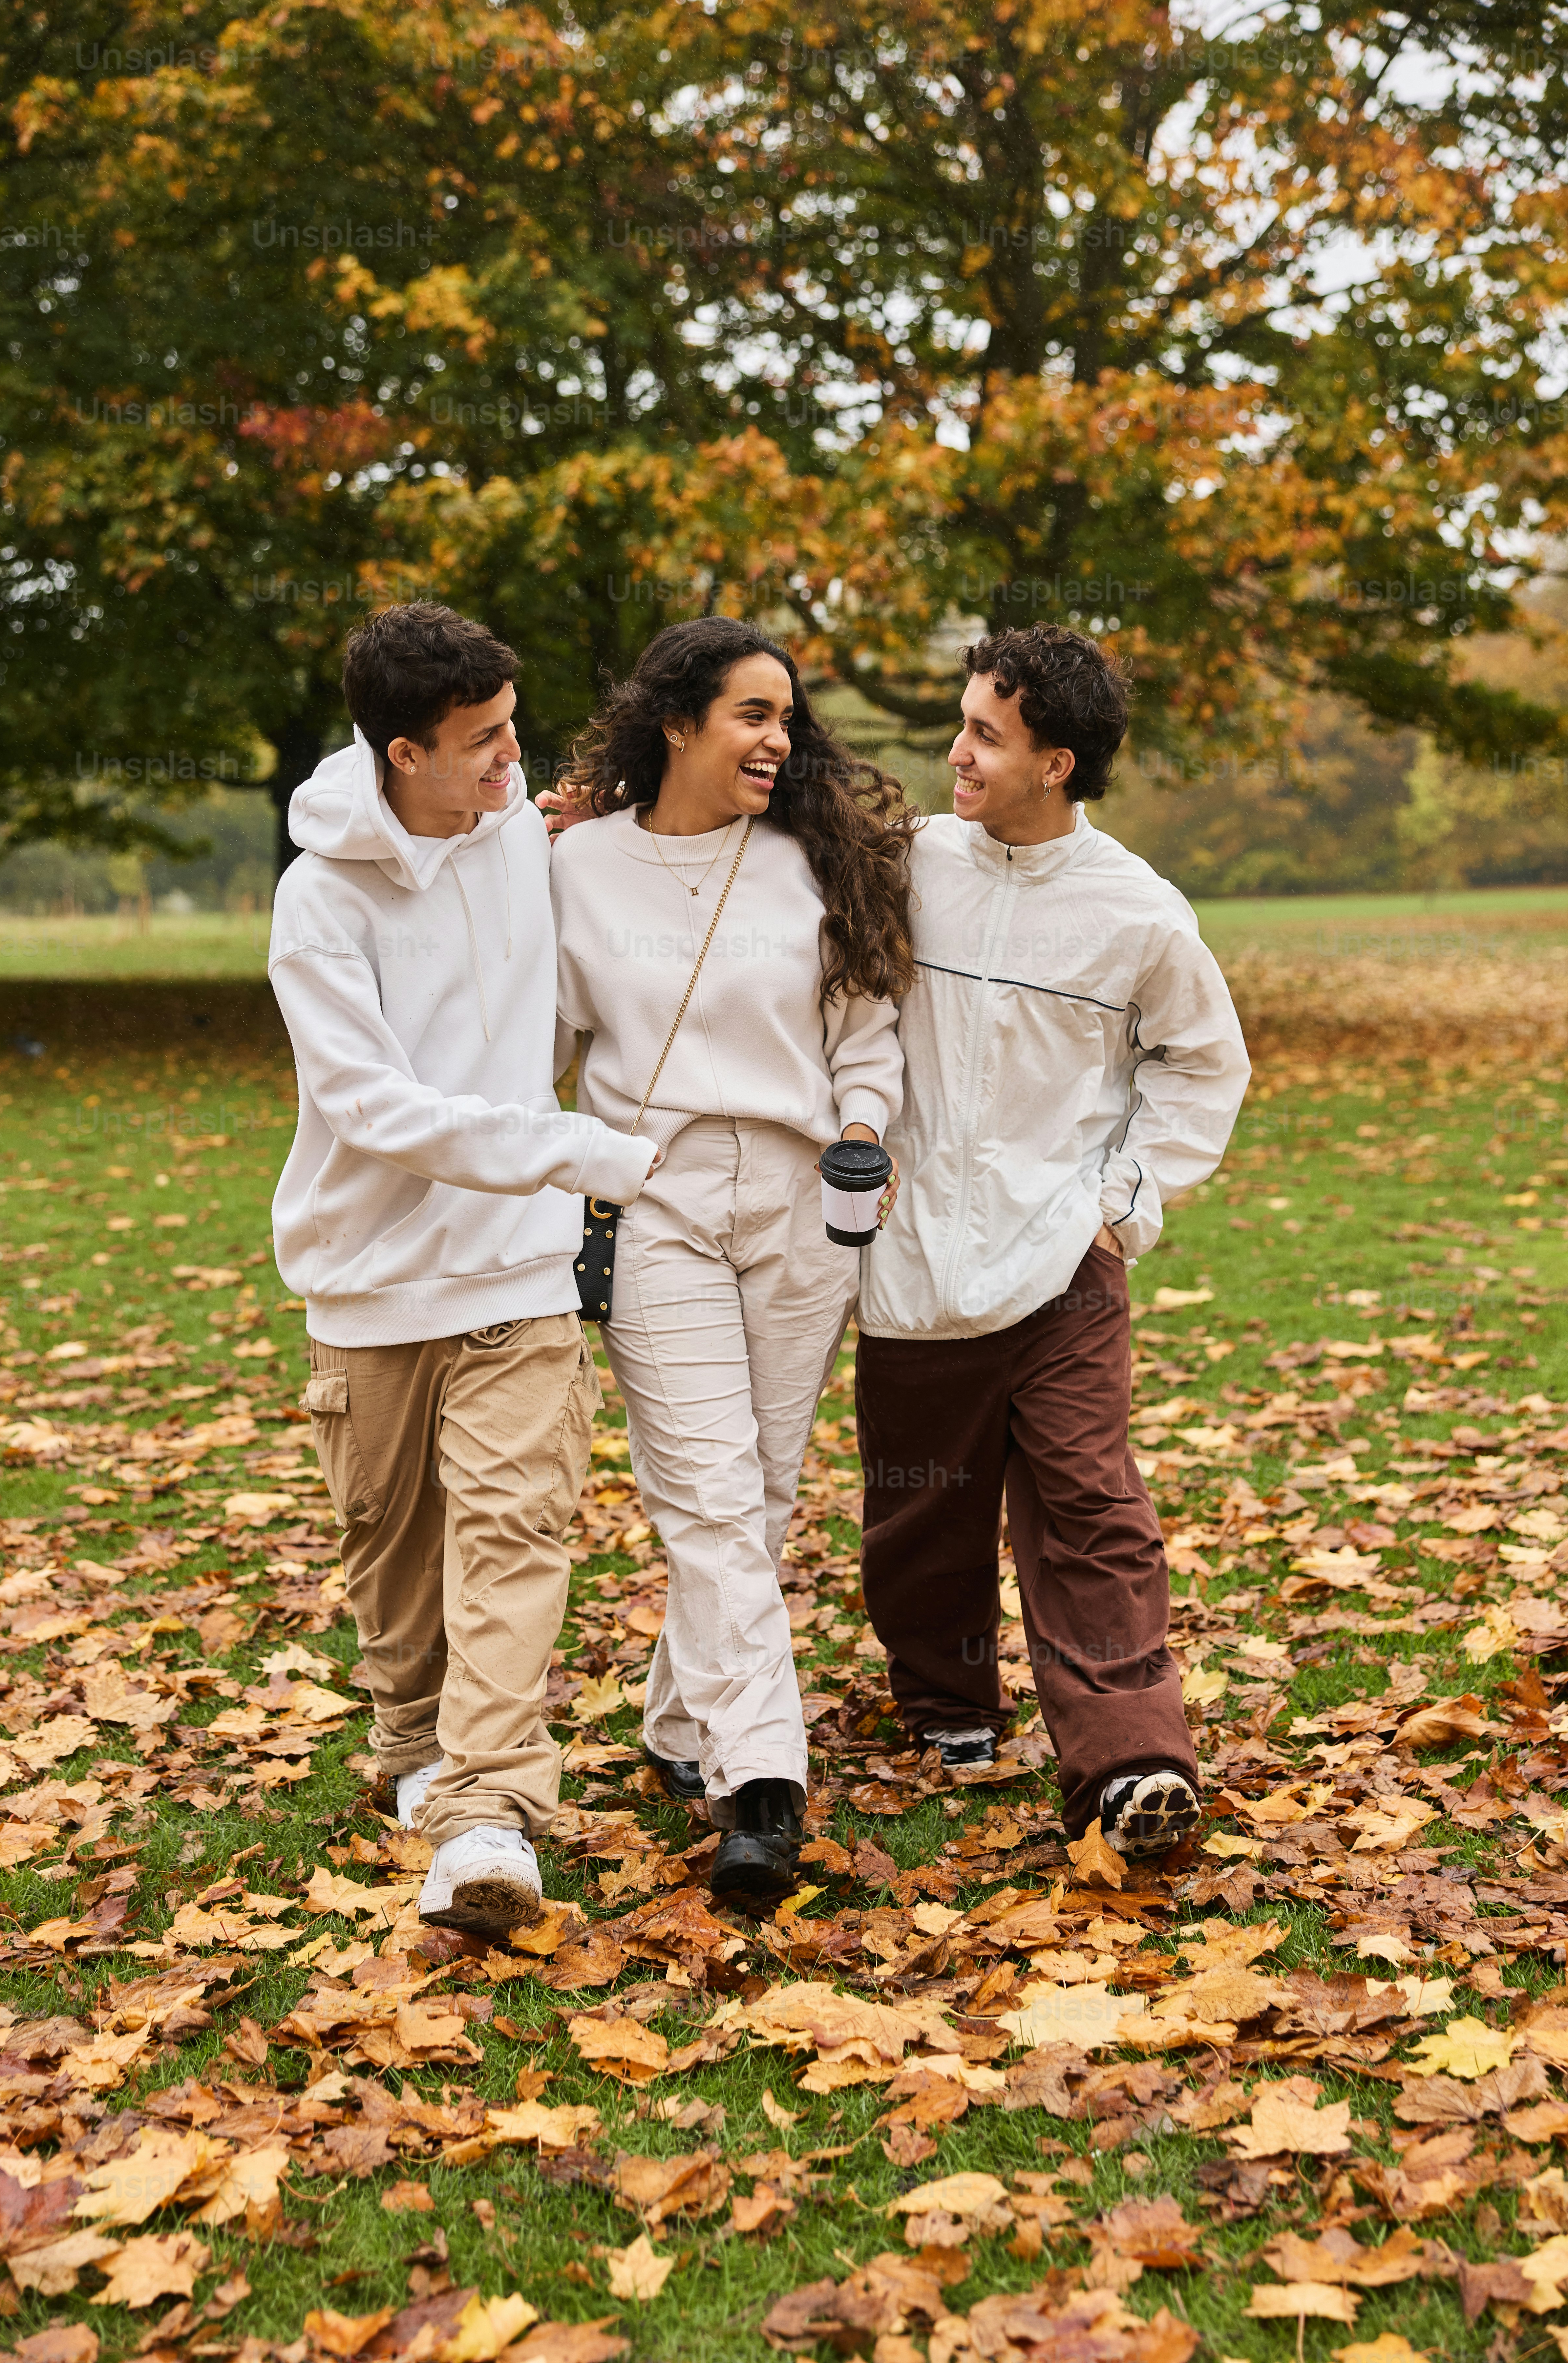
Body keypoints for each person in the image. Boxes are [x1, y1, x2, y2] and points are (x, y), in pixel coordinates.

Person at [267, 601, 656, 1937]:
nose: (510, 763)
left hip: (518, 1275)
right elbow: (371, 1108)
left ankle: (488, 1819)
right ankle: (422, 1747)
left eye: (513, 731)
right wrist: (568, 1145)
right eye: (481, 744)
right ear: (399, 754)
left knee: (515, 1528)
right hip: (371, 1285)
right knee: (395, 1568)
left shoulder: (518, 838)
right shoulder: (318, 903)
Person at [855, 623, 1250, 1860]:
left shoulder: (1136, 913)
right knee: (921, 1513)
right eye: (963, 722)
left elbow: (1200, 1064)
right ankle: (946, 1703)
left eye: (985, 735)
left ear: (1057, 764)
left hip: (1062, 1263)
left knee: (1091, 1504)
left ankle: (1131, 1761)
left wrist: (1121, 1205)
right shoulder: (906, 864)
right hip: (911, 1262)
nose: (956, 753)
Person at [549, 617, 913, 1901]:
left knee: (751, 1496)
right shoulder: (575, 866)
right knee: (703, 1496)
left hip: (808, 1204)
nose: (778, 738)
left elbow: (864, 1036)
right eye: (753, 713)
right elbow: (529, 1028)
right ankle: (764, 1785)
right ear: (676, 721)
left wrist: (863, 1131)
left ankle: (677, 1723)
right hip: (659, 1204)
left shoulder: (815, 859)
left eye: (787, 717)